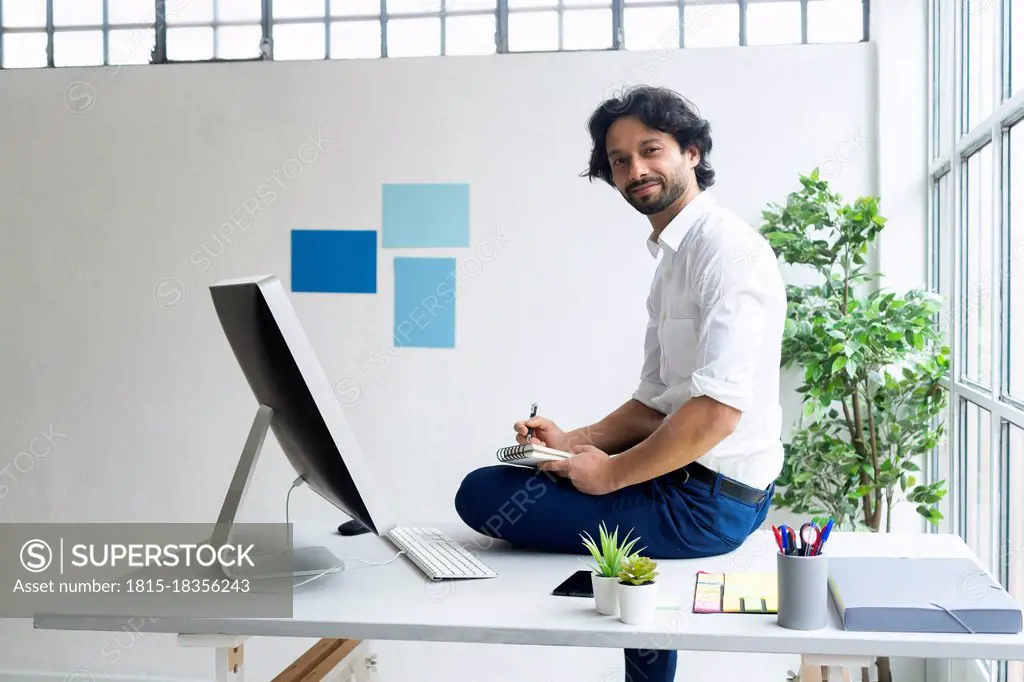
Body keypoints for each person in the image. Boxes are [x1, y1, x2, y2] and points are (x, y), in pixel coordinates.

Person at [453, 85, 787, 682]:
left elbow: (715, 414)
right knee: (516, 475)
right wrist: (572, 439)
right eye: (619, 161)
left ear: (692, 150)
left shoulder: (727, 252)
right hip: (684, 479)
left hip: (707, 503)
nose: (635, 170)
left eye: (650, 150)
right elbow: (656, 403)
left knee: (482, 494)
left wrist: (608, 473)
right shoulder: (672, 260)